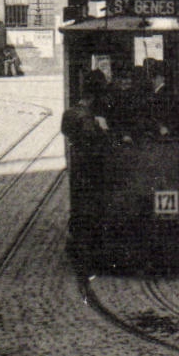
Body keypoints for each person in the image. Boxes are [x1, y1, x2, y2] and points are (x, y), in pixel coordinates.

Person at [62, 71, 113, 258]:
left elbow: (67, 133)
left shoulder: (69, 113)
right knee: (94, 203)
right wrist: (104, 130)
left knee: (81, 202)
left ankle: (80, 241)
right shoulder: (89, 119)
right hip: (92, 165)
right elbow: (97, 141)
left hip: (78, 165)